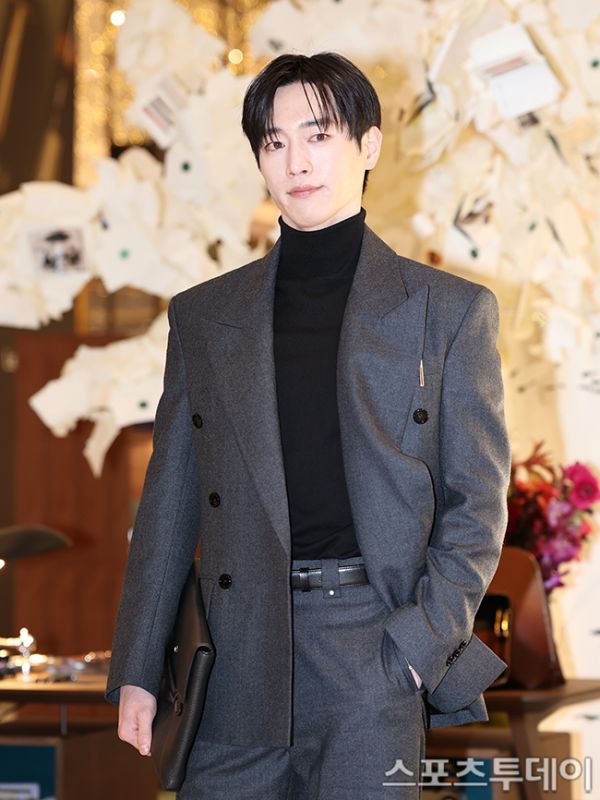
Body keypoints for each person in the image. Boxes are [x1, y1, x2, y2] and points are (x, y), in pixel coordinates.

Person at [107, 52, 511, 799]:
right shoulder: (204, 316)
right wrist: (137, 667)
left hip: (373, 645)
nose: (295, 161)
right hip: (235, 647)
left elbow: (477, 504)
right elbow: (169, 502)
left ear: (369, 145)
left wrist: (418, 644)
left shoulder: (449, 311)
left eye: (318, 134)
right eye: (274, 141)